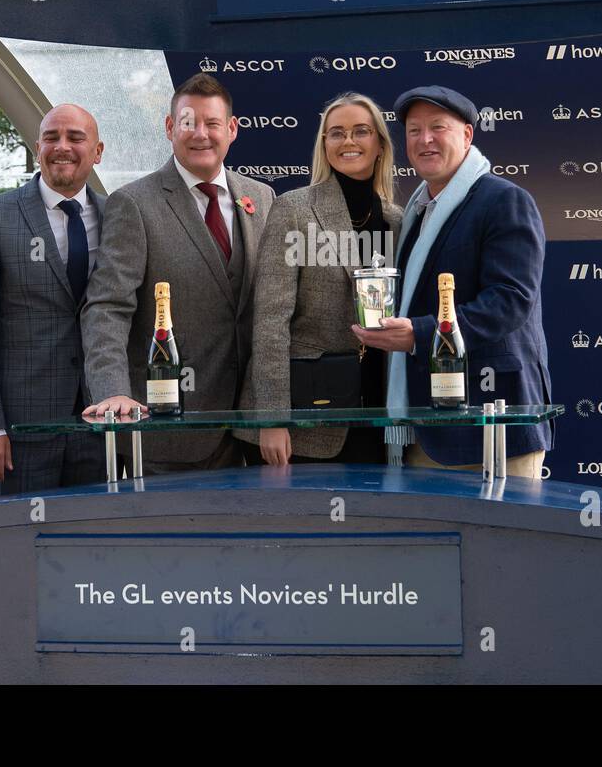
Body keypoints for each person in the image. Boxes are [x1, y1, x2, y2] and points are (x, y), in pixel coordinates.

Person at [355, 85, 554, 478]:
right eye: (414, 130)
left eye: (437, 128)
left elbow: (510, 301)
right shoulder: (416, 213)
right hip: (427, 427)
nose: (424, 140)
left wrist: (421, 333)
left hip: (493, 425)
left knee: (502, 539)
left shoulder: (504, 200)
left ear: (467, 135)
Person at [82, 73, 275, 473]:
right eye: (188, 123)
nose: (200, 134)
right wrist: (114, 393)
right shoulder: (133, 204)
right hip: (168, 426)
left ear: (232, 130)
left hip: (252, 430)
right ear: (170, 128)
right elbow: (107, 307)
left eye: (212, 123)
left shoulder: (261, 197)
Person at [237, 92, 402, 466]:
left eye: (360, 131)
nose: (348, 141)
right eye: (336, 133)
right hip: (302, 421)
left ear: (379, 144)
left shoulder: (397, 221)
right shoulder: (294, 210)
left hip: (375, 412)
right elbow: (270, 320)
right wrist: (273, 419)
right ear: (324, 144)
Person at [0, 104, 107, 496]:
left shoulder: (118, 217)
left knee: (96, 546)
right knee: (19, 547)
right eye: (52, 138)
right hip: (21, 434)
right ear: (37, 147)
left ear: (97, 151)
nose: (62, 147)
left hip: (101, 429)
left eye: (75, 137)